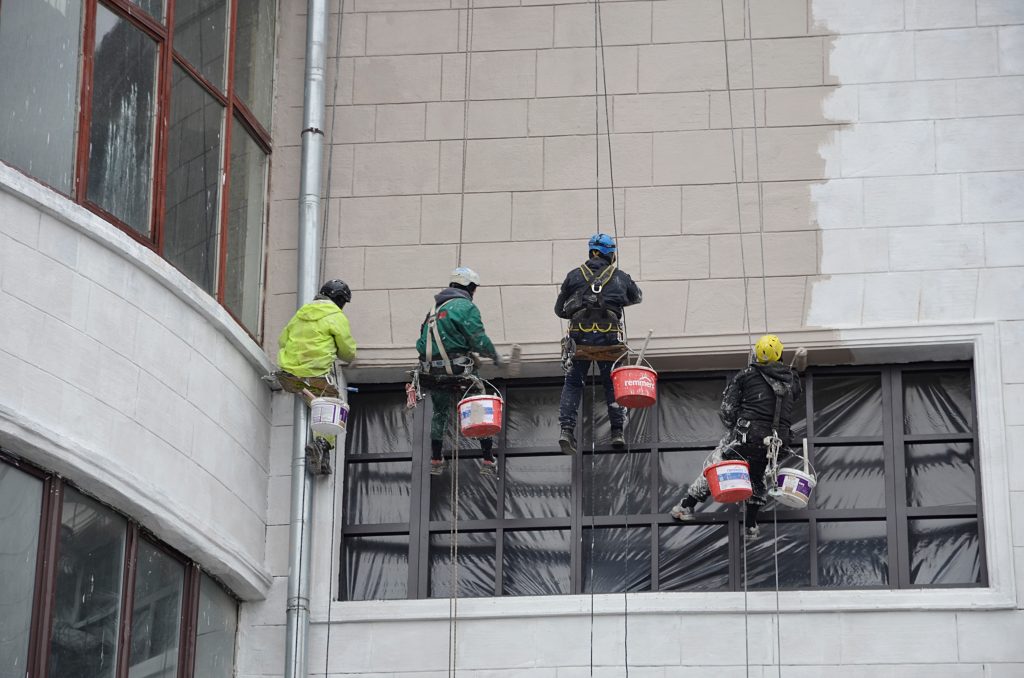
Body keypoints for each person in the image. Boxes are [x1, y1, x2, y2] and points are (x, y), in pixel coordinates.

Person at [670, 334, 807, 537]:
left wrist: (736, 425)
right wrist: (797, 368)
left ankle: (686, 506)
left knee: (717, 465)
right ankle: (750, 525)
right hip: (776, 444)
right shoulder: (790, 381)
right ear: (779, 355)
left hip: (747, 436)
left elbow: (727, 410)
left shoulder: (747, 375)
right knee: (757, 476)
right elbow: (794, 388)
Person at [554, 233, 642, 454]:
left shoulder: (574, 276)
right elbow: (637, 297)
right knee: (612, 384)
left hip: (580, 341)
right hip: (608, 340)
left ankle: (566, 430)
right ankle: (617, 432)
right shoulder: (620, 277)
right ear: (610, 254)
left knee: (574, 383)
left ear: (591, 251)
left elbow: (559, 310)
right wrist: (614, 299)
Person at [416, 267, 505, 477]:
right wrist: (495, 356)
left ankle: (436, 459)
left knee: (439, 413)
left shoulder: (434, 311)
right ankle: (487, 458)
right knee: (479, 401)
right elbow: (478, 339)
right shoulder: (465, 307)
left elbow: (424, 342)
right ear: (470, 288)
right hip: (457, 370)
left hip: (431, 373)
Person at [277, 279, 357, 475]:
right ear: (340, 300)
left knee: (316, 401)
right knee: (333, 407)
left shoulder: (301, 313)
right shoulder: (336, 317)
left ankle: (322, 456)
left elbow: (282, 340)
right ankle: (321, 444)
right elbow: (347, 353)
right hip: (314, 374)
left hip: (288, 372)